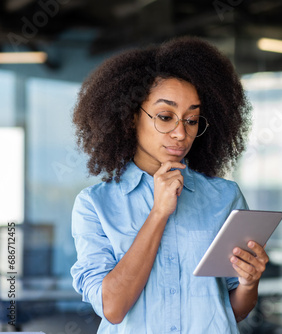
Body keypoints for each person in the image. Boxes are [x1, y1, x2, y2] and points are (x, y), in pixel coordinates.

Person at [70, 36, 269, 333]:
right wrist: (159, 212)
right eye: (165, 117)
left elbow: (233, 310)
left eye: (191, 120)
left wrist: (249, 282)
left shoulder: (225, 197)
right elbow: (112, 307)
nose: (180, 133)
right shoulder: (95, 205)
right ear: (131, 116)